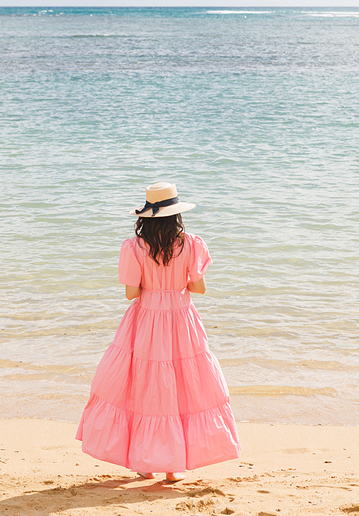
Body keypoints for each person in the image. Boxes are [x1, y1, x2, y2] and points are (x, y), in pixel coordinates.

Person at [76, 181, 241, 482]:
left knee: (148, 387)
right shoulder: (191, 244)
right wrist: (177, 282)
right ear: (176, 215)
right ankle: (173, 466)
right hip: (181, 319)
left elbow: (130, 293)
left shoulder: (135, 247)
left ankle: (146, 461)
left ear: (146, 217)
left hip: (147, 321)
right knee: (184, 386)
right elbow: (199, 288)